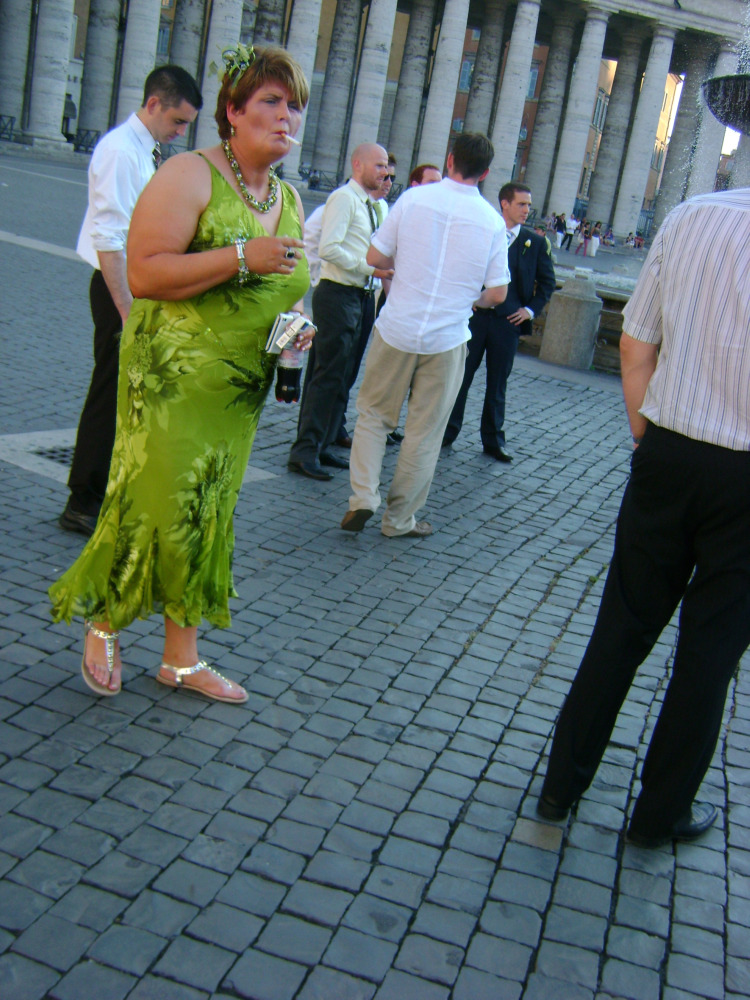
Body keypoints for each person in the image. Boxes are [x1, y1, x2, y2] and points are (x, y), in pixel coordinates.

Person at [50, 45, 313, 704]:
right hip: (169, 380)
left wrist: (296, 325)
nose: (287, 119)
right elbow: (145, 271)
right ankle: (105, 621)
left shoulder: (288, 199)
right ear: (232, 112)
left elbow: (290, 287)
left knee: (208, 512)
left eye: (295, 107)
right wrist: (241, 257)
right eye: (271, 103)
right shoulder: (190, 175)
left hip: (237, 393)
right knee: (152, 504)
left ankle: (181, 658)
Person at [537, 185, 750, 847]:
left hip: (670, 450)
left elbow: (635, 346)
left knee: (622, 625)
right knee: (709, 654)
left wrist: (645, 438)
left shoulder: (693, 216)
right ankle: (659, 815)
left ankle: (560, 788)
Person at [340, 132, 510, 538]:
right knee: (424, 433)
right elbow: (499, 292)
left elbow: (374, 257)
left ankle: (363, 495)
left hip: (397, 325)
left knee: (373, 417)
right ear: (485, 173)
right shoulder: (491, 221)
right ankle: (399, 520)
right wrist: (470, 301)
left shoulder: (414, 200)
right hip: (449, 337)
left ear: (449, 160)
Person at [60, 66, 203, 537]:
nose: (182, 132)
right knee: (108, 392)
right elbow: (109, 237)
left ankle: (98, 493)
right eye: (179, 121)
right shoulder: (122, 151)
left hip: (132, 286)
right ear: (154, 104)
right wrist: (127, 309)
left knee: (122, 394)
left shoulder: (145, 148)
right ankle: (83, 499)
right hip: (117, 287)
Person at [287, 143, 392, 480]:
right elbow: (328, 248)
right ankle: (304, 450)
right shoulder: (344, 199)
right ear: (357, 164)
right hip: (338, 295)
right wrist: (369, 269)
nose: (384, 172)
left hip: (362, 297)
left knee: (344, 375)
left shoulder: (375, 205)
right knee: (327, 373)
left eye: (387, 166)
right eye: (378, 165)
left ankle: (324, 442)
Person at [443, 182, 555, 462]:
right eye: (521, 204)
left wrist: (529, 311)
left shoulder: (536, 243)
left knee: (498, 383)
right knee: (460, 377)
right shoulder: (484, 232)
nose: (527, 210)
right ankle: (446, 432)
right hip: (476, 319)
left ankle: (493, 440)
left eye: (529, 205)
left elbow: (547, 284)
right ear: (504, 204)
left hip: (507, 324)